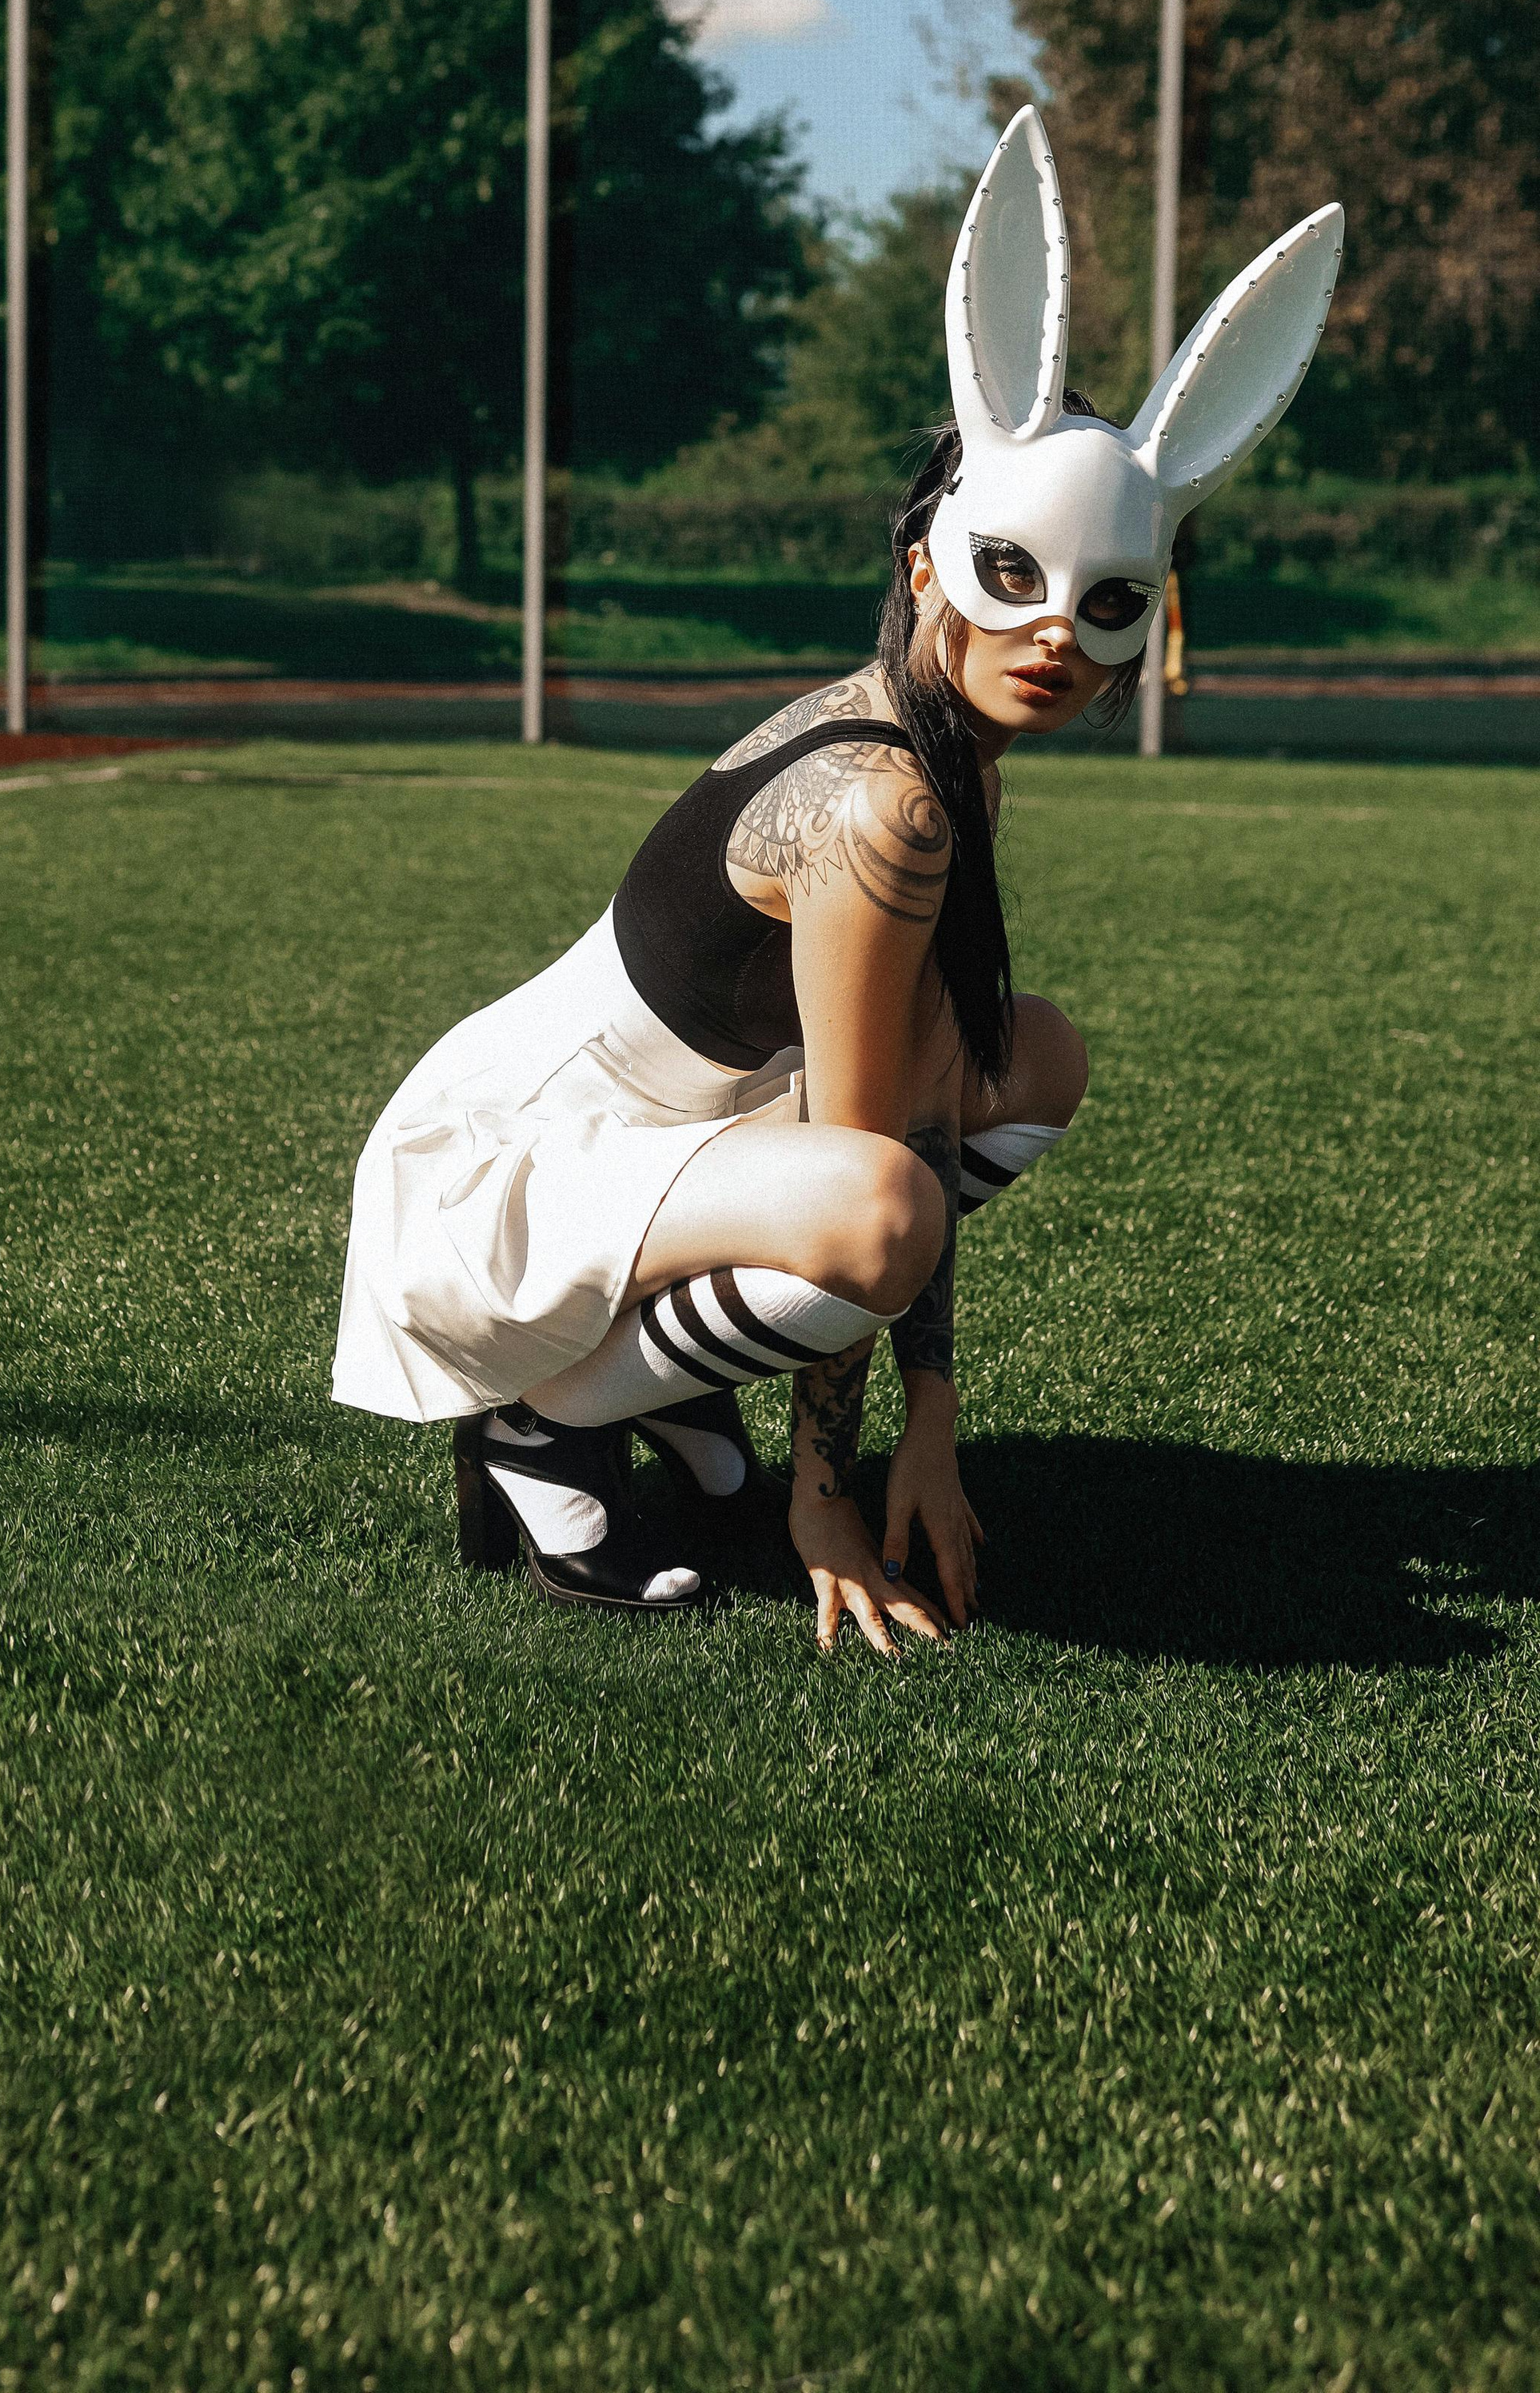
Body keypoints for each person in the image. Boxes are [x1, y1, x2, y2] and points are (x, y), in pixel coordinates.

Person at [332, 111, 1343, 1649]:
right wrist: (835, 1488)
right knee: (876, 1213)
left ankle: (656, 1397)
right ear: (929, 561)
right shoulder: (887, 806)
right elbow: (882, 1162)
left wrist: (933, 1411)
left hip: (673, 1136)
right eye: (1017, 576)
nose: (1060, 635)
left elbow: (936, 1078)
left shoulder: (942, 752)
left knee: (1033, 1060)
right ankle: (548, 1421)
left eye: (1112, 601)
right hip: (511, 1177)